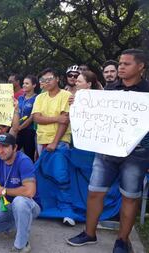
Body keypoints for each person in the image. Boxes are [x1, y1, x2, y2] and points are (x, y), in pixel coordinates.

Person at [67, 49, 149, 253]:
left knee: (130, 197)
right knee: (94, 191)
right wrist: (78, 106)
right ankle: (89, 233)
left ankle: (122, 241)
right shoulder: (109, 90)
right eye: (120, 63)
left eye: (126, 64)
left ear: (140, 67)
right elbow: (96, 117)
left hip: (136, 153)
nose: (120, 66)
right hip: (105, 151)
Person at [32, 67, 72, 226]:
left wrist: (55, 142)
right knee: (44, 176)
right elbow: (36, 118)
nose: (46, 83)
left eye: (49, 79)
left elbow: (65, 121)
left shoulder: (66, 95)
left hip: (60, 143)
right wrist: (56, 118)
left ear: (57, 79)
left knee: (61, 177)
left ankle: (66, 211)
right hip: (41, 141)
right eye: (43, 80)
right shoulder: (40, 98)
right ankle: (47, 207)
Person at [16, 75, 38, 161]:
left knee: (29, 154)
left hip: (29, 131)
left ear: (34, 85)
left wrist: (20, 127)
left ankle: (30, 173)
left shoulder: (37, 98)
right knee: (14, 152)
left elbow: (32, 117)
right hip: (17, 130)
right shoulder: (20, 98)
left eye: (27, 83)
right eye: (23, 83)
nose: (24, 85)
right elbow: (16, 112)